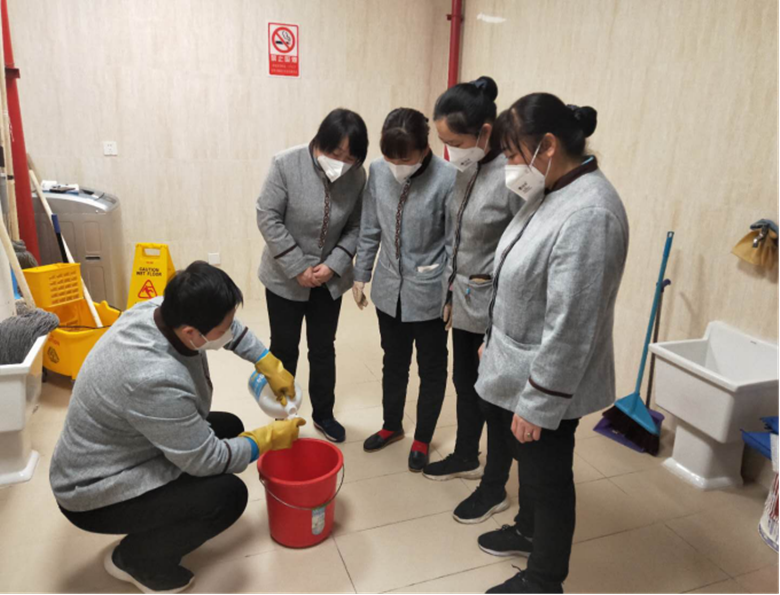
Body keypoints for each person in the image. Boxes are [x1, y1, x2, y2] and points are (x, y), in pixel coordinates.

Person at [50, 262, 305, 595]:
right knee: (228, 496)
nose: (229, 332)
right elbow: (207, 460)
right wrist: (266, 439)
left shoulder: (159, 309)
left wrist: (265, 360)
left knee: (229, 427)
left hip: (122, 447)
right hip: (93, 487)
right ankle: (136, 560)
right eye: (222, 328)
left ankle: (158, 526)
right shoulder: (153, 377)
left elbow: (229, 327)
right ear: (190, 333)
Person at [477, 94, 630, 595]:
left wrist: (539, 401)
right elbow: (519, 276)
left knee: (549, 475)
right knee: (530, 466)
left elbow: (573, 323)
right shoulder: (552, 190)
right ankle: (527, 530)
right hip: (518, 362)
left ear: (547, 146)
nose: (509, 166)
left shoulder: (590, 213)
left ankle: (545, 580)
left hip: (550, 378)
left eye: (513, 154)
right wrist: (493, 341)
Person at [423, 76, 523, 526]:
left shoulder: (513, 176)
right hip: (463, 299)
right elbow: (457, 234)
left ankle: (495, 486)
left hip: (496, 309)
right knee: (465, 383)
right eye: (444, 142)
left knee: (494, 399)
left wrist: (500, 320)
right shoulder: (469, 167)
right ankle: (466, 454)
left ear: (485, 131)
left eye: (455, 142)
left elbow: (522, 251)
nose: (450, 151)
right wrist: (448, 288)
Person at [257, 108, 369, 444]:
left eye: (350, 157)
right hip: (284, 278)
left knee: (322, 349)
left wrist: (333, 264)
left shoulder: (357, 176)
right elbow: (268, 216)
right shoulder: (285, 164)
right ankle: (282, 415)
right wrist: (297, 267)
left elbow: (356, 226)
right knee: (284, 348)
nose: (342, 163)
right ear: (319, 142)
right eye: (335, 153)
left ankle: (324, 414)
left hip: (328, 280)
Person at [354, 108, 457, 473]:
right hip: (388, 289)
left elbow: (454, 243)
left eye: (406, 159)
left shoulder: (448, 178)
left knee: (431, 368)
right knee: (393, 361)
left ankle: (423, 437)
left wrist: (450, 292)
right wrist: (361, 274)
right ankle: (392, 425)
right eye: (391, 159)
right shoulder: (378, 171)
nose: (397, 166)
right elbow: (370, 226)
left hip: (429, 292)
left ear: (424, 148)